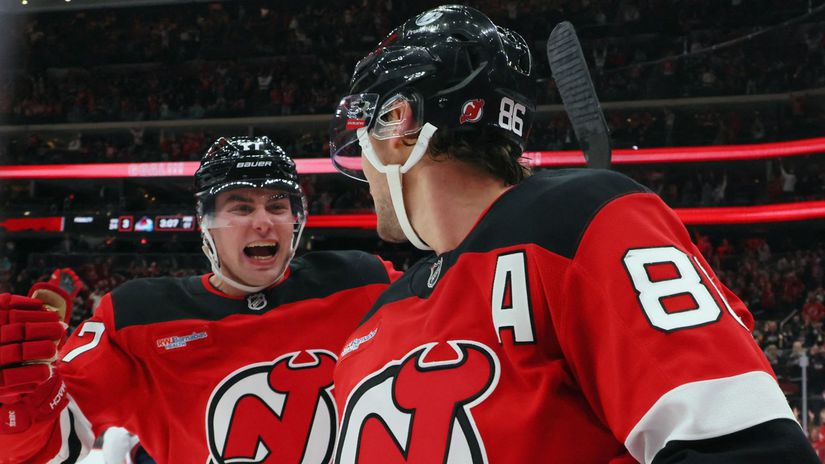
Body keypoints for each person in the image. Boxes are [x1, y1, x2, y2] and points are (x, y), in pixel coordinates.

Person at [328, 5, 817, 463]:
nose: (363, 168)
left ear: (398, 122)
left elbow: (748, 448)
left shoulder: (580, 223)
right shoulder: (373, 325)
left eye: (363, 138)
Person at [0, 136, 400, 463]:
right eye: (241, 207)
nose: (263, 221)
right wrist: (17, 398)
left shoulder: (363, 281)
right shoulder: (136, 318)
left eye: (278, 206)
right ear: (204, 222)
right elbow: (46, 446)